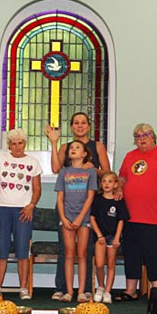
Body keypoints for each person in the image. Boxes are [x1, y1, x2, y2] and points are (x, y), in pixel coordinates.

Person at [46, 112, 111, 301]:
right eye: (76, 123)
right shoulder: (67, 148)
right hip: (67, 206)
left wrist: (92, 168)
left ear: (89, 126)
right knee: (65, 250)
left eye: (83, 123)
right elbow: (56, 168)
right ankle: (63, 288)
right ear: (72, 126)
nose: (80, 126)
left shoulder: (97, 146)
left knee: (86, 250)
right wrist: (54, 142)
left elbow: (107, 172)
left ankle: (86, 289)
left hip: (88, 205)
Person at [114, 122, 157, 301]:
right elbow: (122, 177)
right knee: (131, 253)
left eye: (145, 135)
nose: (141, 139)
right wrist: (119, 188)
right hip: (131, 215)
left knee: (154, 254)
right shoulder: (130, 156)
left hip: (154, 216)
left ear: (153, 136)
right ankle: (131, 290)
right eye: (137, 136)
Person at [0, 125, 42, 300]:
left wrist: (31, 205)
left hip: (23, 211)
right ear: (9, 145)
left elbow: (37, 188)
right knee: (2, 249)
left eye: (21, 143)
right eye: (14, 143)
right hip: (2, 209)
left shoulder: (32, 162)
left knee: (23, 250)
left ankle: (23, 288)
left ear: (25, 144)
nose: (18, 146)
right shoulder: (0, 158)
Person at [55, 140, 98, 302]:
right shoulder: (63, 172)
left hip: (83, 218)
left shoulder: (90, 172)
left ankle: (81, 291)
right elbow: (60, 198)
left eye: (77, 147)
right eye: (71, 148)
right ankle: (68, 291)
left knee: (82, 254)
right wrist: (63, 218)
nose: (73, 150)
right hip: (67, 218)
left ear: (85, 153)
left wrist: (80, 217)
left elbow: (90, 196)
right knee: (69, 254)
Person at [89, 171, 130, 303]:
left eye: (110, 181)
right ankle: (100, 286)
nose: (107, 184)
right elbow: (92, 218)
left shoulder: (119, 200)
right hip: (100, 237)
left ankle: (107, 291)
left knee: (111, 264)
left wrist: (117, 237)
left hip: (113, 237)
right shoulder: (97, 199)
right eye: (104, 181)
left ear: (115, 184)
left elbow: (121, 220)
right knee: (100, 264)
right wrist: (99, 235)